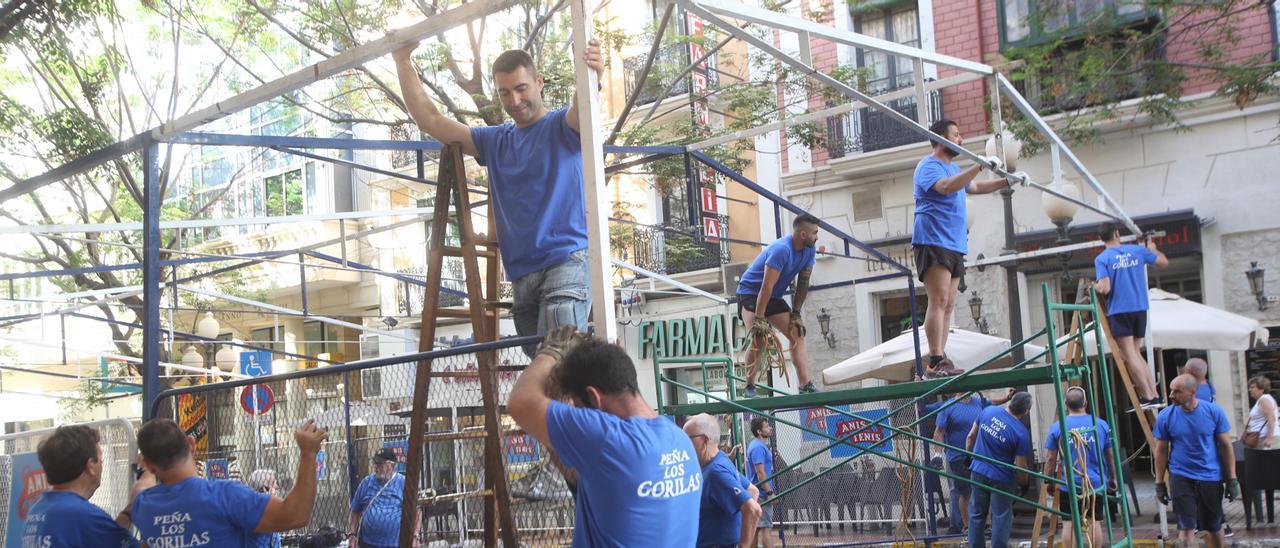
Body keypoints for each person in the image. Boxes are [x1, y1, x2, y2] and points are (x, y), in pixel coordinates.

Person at [393, 38, 603, 358]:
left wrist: (591, 74)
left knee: (560, 370)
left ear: (539, 82)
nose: (514, 100)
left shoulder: (563, 126)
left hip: (566, 263)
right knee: (550, 379)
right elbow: (431, 121)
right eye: (504, 92)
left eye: (521, 88)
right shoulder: (496, 141)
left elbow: (582, 107)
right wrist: (402, 61)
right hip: (522, 276)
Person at [507, 326, 702, 546]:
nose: (578, 413)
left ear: (594, 397)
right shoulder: (681, 440)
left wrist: (553, 351)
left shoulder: (610, 440)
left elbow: (520, 402)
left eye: (578, 407)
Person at [913, 119, 1014, 378]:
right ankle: (935, 360)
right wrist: (978, 166)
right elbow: (946, 187)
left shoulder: (954, 168)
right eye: (956, 136)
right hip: (933, 239)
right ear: (941, 139)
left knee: (949, 305)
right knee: (939, 300)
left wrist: (1007, 181)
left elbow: (975, 187)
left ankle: (940, 359)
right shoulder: (928, 166)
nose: (961, 141)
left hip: (955, 243)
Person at [132, 418, 327, 546]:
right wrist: (308, 453)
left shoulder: (143, 506)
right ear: (191, 445)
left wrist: (147, 472)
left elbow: (142, 487)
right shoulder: (224, 496)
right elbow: (295, 515)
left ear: (149, 464)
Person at [736, 214, 821, 396]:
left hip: (773, 295)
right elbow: (766, 286)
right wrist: (759, 318)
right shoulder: (781, 249)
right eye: (815, 233)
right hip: (751, 292)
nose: (817, 237)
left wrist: (796, 313)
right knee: (759, 337)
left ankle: (805, 384)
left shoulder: (809, 250)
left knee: (797, 333)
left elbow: (803, 283)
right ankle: (749, 386)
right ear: (803, 234)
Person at [20, 425, 144, 547]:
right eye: (101, 461)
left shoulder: (37, 510)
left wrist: (128, 513)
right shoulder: (81, 515)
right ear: (90, 466)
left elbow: (104, 537)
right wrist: (148, 475)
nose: (102, 466)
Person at [1154, 374, 1238, 548]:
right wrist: (1159, 483)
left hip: (1210, 476)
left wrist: (1232, 479)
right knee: (1186, 529)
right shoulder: (1165, 416)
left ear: (1192, 392)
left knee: (1213, 527)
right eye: (1171, 390)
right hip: (1181, 475)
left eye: (1177, 391)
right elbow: (1161, 451)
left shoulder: (1214, 412)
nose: (1171, 395)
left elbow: (1226, 446)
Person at [1093, 223, 1169, 407]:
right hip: (1140, 308)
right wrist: (1152, 248)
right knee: (1136, 352)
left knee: (1129, 354)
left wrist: (1094, 286)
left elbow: (1105, 287)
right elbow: (1163, 262)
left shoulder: (1103, 258)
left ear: (1101, 238)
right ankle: (1153, 394)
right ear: (1117, 233)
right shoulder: (1136, 251)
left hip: (1120, 309)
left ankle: (1148, 396)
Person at [931, 388, 1016, 534]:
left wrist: (1007, 398)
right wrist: (937, 454)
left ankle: (987, 525)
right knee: (965, 492)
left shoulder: (979, 403)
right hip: (958, 456)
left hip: (980, 455)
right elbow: (939, 431)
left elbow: (992, 402)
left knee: (984, 488)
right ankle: (967, 527)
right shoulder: (948, 406)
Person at [1043, 387, 1117, 548]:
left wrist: (1048, 481)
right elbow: (1110, 454)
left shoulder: (1057, 427)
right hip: (1095, 483)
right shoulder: (1100, 424)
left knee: (1069, 523)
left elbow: (1050, 458)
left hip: (1070, 484)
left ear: (1065, 404)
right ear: (1085, 403)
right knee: (1094, 521)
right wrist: (1114, 477)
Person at [965, 391, 1033, 548]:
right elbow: (1021, 466)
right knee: (1001, 517)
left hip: (978, 470)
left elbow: (970, 436)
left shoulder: (988, 411)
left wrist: (968, 457)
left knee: (976, 514)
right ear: (1026, 411)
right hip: (1002, 478)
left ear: (1011, 402)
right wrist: (1024, 484)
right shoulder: (1021, 432)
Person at [684, 413, 761, 548]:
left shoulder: (716, 472)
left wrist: (743, 544)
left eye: (687, 438)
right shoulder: (720, 460)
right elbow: (752, 491)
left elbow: (753, 510)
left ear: (704, 440)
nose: (683, 444)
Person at [348, 448, 420, 548]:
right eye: (375, 463)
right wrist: (352, 535)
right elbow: (354, 512)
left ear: (392, 465)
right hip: (367, 544)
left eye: (380, 464)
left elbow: (417, 512)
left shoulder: (403, 483)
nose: (376, 467)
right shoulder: (366, 483)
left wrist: (415, 536)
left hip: (395, 544)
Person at [746, 417, 776, 547]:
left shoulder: (757, 446)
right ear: (759, 431)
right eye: (766, 426)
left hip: (756, 493)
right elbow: (760, 472)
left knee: (757, 528)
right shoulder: (758, 447)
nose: (770, 428)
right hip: (762, 494)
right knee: (765, 529)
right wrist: (769, 492)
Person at [246, 469, 282, 548]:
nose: (276, 487)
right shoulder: (252, 511)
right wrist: (268, 499)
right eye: (273, 484)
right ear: (263, 489)